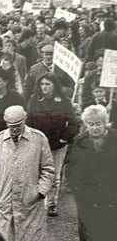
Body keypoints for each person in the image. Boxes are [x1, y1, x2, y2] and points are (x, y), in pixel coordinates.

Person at [0, 105, 54, 241]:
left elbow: (48, 169)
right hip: (5, 198)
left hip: (30, 198)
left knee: (29, 237)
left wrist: (40, 192)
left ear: (25, 120)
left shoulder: (39, 139)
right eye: (10, 125)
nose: (14, 129)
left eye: (18, 125)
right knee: (5, 240)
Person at [66, 104, 117, 241]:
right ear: (86, 125)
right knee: (92, 234)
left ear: (105, 123)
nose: (95, 127)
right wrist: (78, 190)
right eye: (91, 124)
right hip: (88, 197)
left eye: (98, 124)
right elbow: (71, 168)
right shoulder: (79, 141)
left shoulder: (115, 139)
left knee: (111, 232)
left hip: (112, 196)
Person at [25, 72, 78, 217]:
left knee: (54, 175)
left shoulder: (64, 101)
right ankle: (37, 202)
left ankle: (52, 204)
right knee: (37, 173)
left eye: (47, 84)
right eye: (42, 84)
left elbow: (73, 122)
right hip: (38, 143)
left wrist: (64, 139)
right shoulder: (35, 99)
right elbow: (29, 120)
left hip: (58, 144)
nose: (44, 87)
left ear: (54, 85)